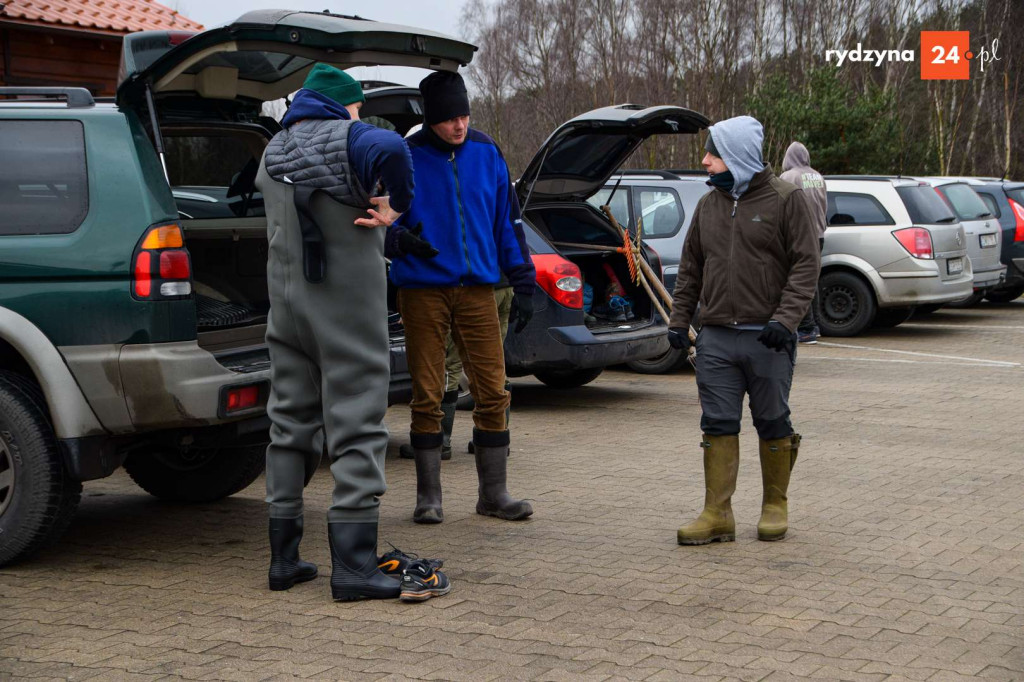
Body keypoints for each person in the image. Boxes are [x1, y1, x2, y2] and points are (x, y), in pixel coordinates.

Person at [257, 63, 446, 601]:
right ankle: (356, 567)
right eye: (358, 106)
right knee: (357, 422)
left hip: (288, 310)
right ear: (344, 103)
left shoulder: (275, 149)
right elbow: (392, 152)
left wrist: (397, 236)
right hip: (343, 311)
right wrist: (398, 206)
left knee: (290, 422)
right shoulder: (350, 134)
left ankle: (284, 559)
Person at [386, 70, 535, 524]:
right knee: (428, 394)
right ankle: (429, 498)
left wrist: (523, 278)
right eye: (450, 118)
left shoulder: (488, 154)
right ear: (431, 118)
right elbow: (377, 218)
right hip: (423, 291)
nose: (460, 125)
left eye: (465, 115)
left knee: (493, 391)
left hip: (478, 291)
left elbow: (505, 223)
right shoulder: (404, 158)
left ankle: (494, 494)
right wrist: (398, 241)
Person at [667, 115, 820, 545]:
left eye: (713, 154)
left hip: (768, 337)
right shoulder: (707, 206)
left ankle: (775, 505)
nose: (705, 161)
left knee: (772, 420)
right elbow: (691, 270)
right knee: (716, 422)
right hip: (716, 337)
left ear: (736, 155)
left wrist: (785, 320)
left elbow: (806, 266)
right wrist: (680, 321)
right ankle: (717, 513)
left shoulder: (786, 200)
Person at [397, 280, 514, 461]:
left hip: (474, 288)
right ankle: (495, 436)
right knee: (494, 365)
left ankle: (443, 439)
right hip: (503, 285)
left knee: (451, 365)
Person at [780, 142, 828, 344]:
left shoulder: (789, 177)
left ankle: (805, 327)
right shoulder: (818, 176)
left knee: (796, 280)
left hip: (798, 236)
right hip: (818, 234)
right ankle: (814, 325)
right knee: (811, 280)